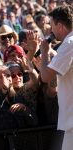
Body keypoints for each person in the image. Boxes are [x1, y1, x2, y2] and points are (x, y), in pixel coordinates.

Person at [39, 5, 73, 150]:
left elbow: (45, 77)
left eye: (51, 25)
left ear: (59, 25)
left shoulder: (69, 44)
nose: (50, 30)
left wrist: (44, 52)